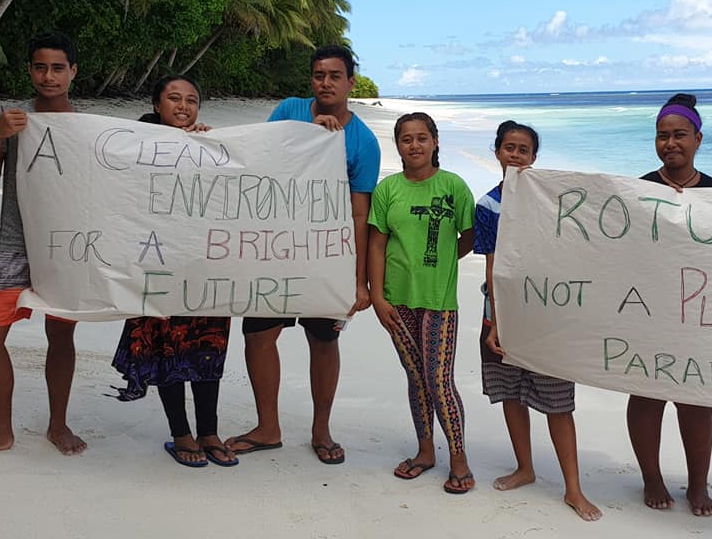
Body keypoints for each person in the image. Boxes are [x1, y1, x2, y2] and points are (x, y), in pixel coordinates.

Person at [226, 45, 380, 465]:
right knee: (258, 336)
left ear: (351, 81)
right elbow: (260, 163)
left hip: (326, 256)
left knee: (324, 340)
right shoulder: (289, 110)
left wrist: (358, 279)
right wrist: (310, 135)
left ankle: (321, 430)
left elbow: (360, 210)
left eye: (334, 75)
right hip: (274, 250)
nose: (325, 82)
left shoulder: (364, 142)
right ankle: (267, 427)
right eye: (318, 75)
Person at [0, 32, 86, 459]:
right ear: (30, 70)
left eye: (58, 68)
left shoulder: (89, 130)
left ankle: (58, 424)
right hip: (12, 246)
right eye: (40, 67)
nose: (48, 76)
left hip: (65, 248)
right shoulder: (9, 118)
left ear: (73, 73)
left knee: (60, 337)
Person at [479, 121, 602, 520]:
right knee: (511, 395)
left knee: (557, 402)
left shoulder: (555, 203)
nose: (515, 155)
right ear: (497, 152)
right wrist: (496, 321)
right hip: (500, 315)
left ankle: (573, 488)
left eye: (523, 149)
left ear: (534, 158)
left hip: (547, 317)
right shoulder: (488, 205)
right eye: (508, 147)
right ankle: (525, 468)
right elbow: (492, 267)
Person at [110, 75, 236, 468]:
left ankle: (209, 430)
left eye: (192, 100)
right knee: (169, 348)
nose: (183, 107)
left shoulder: (207, 146)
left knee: (208, 345)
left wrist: (208, 148)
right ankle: (181, 431)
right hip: (156, 266)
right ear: (157, 104)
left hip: (202, 265)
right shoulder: (135, 145)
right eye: (174, 99)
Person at [368, 112, 477, 494]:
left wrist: (441, 263)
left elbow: (468, 237)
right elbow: (377, 244)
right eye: (406, 139)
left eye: (421, 138)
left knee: (439, 380)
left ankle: (459, 457)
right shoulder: (388, 190)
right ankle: (425, 451)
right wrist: (377, 295)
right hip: (397, 300)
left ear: (434, 142)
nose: (414, 145)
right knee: (416, 379)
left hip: (438, 300)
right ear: (397, 145)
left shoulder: (454, 186)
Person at [629, 93, 712, 515]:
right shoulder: (639, 189)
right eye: (662, 136)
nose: (671, 143)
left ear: (698, 139)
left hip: (699, 315)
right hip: (648, 308)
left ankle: (698, 486)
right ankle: (651, 477)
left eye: (680, 135)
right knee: (647, 395)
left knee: (696, 398)